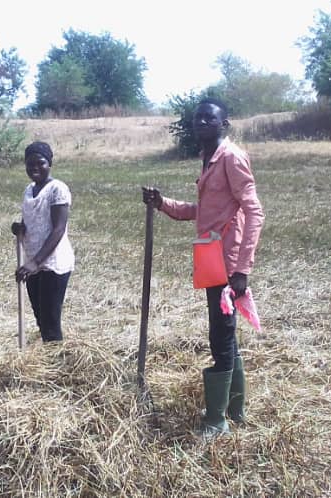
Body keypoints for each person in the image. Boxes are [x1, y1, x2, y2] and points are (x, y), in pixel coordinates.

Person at [141, 98, 264, 438]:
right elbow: (206, 210)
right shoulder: (209, 158)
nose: (202, 122)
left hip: (227, 261)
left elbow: (254, 212)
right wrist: (164, 204)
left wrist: (242, 269)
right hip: (210, 256)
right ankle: (235, 408)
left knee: (220, 337)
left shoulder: (231, 157)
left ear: (225, 123)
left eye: (210, 117)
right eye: (198, 118)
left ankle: (217, 421)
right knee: (224, 333)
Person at [11, 141, 74, 342]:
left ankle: (57, 366)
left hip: (53, 263)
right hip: (33, 262)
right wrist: (20, 228)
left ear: (50, 164)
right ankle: (50, 356)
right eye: (30, 164)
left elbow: (58, 229)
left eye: (40, 163)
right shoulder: (29, 190)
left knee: (50, 320)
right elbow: (30, 219)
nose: (35, 168)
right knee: (40, 317)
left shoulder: (58, 189)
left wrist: (34, 262)